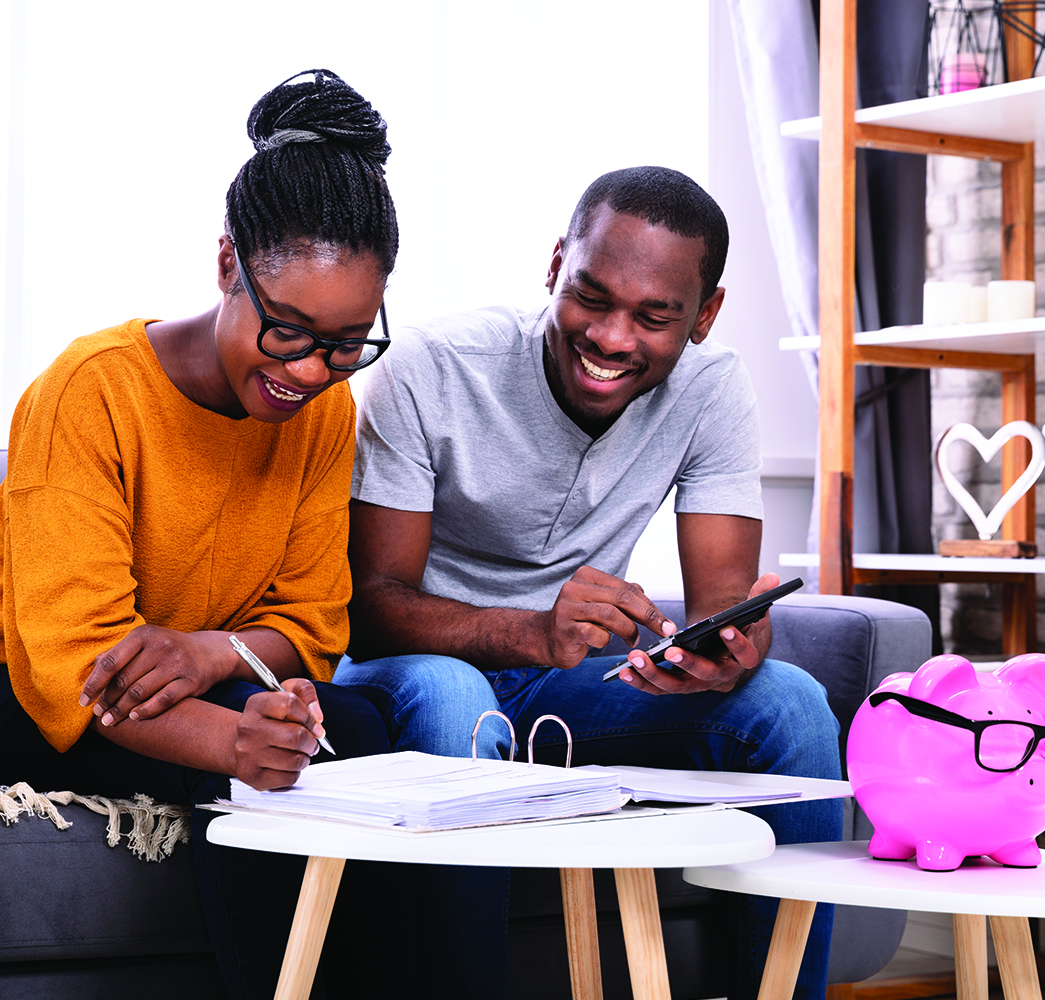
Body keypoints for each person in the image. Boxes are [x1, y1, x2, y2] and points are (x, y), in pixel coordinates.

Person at [336, 166, 844, 1000]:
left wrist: (734, 649)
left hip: (567, 686)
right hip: (417, 669)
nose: (611, 338)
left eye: (654, 317)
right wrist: (529, 629)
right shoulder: (434, 365)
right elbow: (372, 610)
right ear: (554, 267)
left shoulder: (713, 391)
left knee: (789, 704)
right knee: (457, 699)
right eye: (591, 297)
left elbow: (721, 612)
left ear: (705, 316)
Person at [0, 69, 403, 1000]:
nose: (312, 370)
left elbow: (312, 629)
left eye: (347, 343)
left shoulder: (322, 411)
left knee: (363, 725)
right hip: (50, 700)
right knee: (269, 771)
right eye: (290, 331)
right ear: (229, 265)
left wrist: (207, 652)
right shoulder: (90, 393)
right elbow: (71, 671)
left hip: (196, 679)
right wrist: (233, 743)